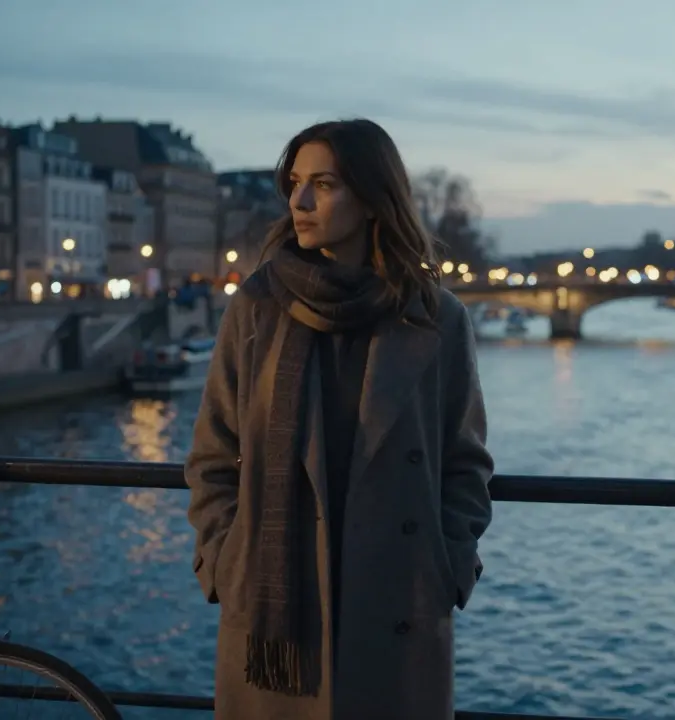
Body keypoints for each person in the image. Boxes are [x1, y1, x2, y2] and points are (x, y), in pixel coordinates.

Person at [185, 118, 494, 720]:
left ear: (373, 197)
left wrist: (448, 565)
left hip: (399, 597)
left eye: (322, 184)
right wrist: (227, 563)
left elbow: (466, 462)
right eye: (295, 182)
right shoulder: (257, 306)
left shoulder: (438, 318)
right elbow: (213, 456)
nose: (299, 201)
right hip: (275, 608)